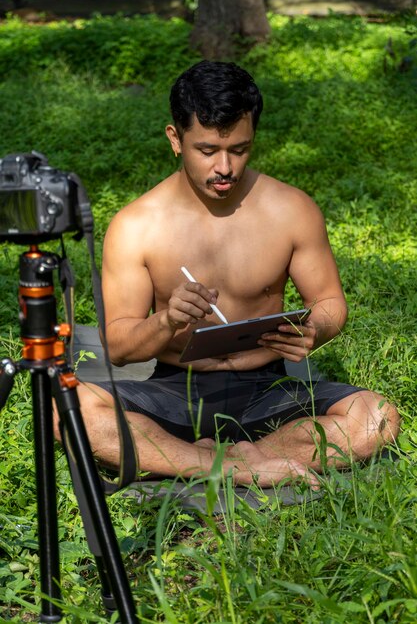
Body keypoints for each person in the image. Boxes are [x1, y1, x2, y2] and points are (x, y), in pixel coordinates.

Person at [67, 60, 399, 488]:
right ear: (175, 139)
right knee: (71, 407)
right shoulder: (137, 225)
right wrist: (166, 320)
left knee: (377, 416)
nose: (224, 167)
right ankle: (234, 467)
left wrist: (315, 327)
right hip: (175, 390)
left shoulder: (291, 209)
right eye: (207, 151)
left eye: (239, 150)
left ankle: (240, 457)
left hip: (267, 386)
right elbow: (119, 347)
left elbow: (330, 303)